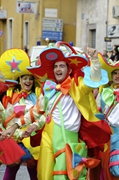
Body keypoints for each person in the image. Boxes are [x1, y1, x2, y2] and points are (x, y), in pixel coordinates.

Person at [0, 44, 111, 180]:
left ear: (69, 69)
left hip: (67, 138)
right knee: (43, 175)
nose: (58, 69)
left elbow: (94, 80)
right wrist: (14, 127)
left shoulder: (78, 85)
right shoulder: (48, 88)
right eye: (56, 66)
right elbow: (36, 112)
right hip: (48, 137)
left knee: (62, 176)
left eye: (62, 66)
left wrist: (94, 61)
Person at [0, 48, 40, 180]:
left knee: (34, 172)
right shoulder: (13, 96)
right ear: (20, 80)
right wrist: (14, 133)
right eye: (25, 78)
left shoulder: (37, 97)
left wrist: (30, 129)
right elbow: (7, 118)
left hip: (32, 140)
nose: (28, 81)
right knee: (10, 172)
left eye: (30, 79)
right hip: (15, 138)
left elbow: (39, 115)